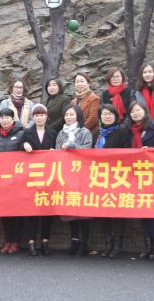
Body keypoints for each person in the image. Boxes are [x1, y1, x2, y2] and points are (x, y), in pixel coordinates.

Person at [125, 100, 154, 259]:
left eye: (138, 110)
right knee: (142, 211)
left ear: (145, 111)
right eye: (132, 112)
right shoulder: (129, 130)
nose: (135, 113)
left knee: (152, 212)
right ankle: (148, 245)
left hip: (153, 175)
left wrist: (150, 150)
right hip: (136, 175)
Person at [92, 104, 131, 258]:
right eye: (104, 114)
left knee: (116, 213)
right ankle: (108, 244)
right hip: (100, 178)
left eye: (110, 114)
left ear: (115, 116)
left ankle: (117, 245)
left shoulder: (121, 132)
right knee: (103, 213)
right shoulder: (97, 134)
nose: (107, 116)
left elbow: (127, 154)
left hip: (116, 178)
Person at [56, 104, 93, 256]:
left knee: (83, 211)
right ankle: (74, 241)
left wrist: (72, 146)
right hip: (67, 175)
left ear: (78, 115)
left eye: (71, 114)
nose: (69, 117)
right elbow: (57, 152)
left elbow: (88, 150)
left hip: (82, 175)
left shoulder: (85, 132)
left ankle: (84, 243)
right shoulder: (61, 133)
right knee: (70, 211)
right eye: (66, 115)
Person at [19, 104, 56, 256]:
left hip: (48, 176)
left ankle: (45, 241)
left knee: (47, 210)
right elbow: (18, 149)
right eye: (37, 115)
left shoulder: (52, 132)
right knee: (31, 210)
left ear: (46, 117)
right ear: (33, 117)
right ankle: (31, 241)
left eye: (42, 115)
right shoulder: (27, 132)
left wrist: (55, 152)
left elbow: (59, 151)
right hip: (32, 176)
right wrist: (24, 145)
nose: (39, 118)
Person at [0, 107, 26, 254]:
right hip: (2, 180)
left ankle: (16, 241)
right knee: (4, 212)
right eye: (2, 118)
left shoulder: (21, 133)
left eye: (7, 117)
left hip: (17, 179)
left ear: (13, 119)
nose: (4, 120)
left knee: (17, 213)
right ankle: (7, 240)